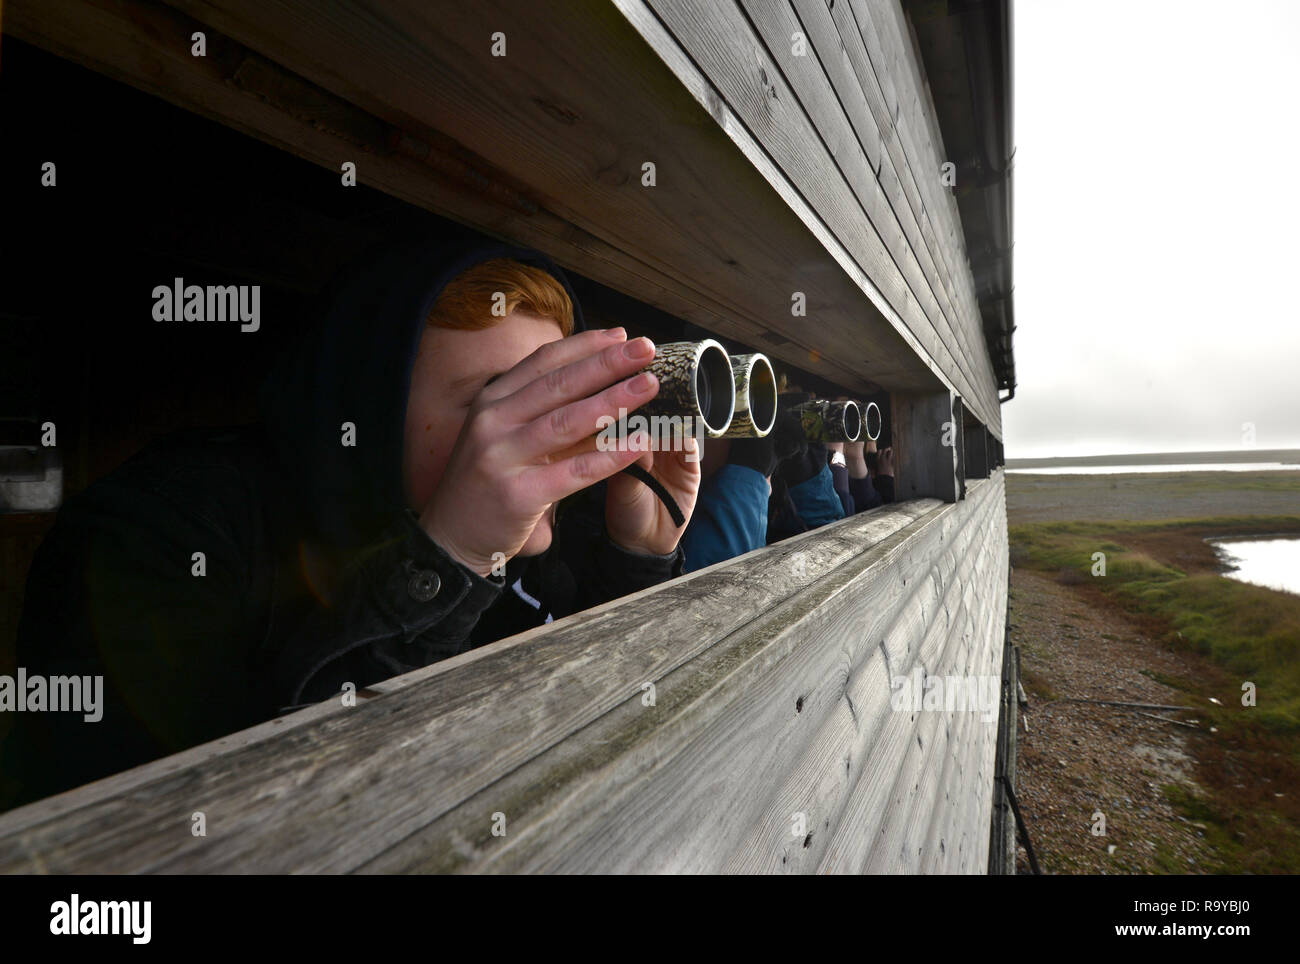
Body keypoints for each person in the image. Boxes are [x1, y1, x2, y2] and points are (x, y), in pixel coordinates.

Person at [3, 240, 701, 809]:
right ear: (367, 409)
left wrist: (636, 558)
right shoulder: (155, 534)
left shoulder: (527, 556)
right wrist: (447, 556)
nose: (551, 435)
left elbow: (594, 735)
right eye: (500, 400)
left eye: (562, 401)